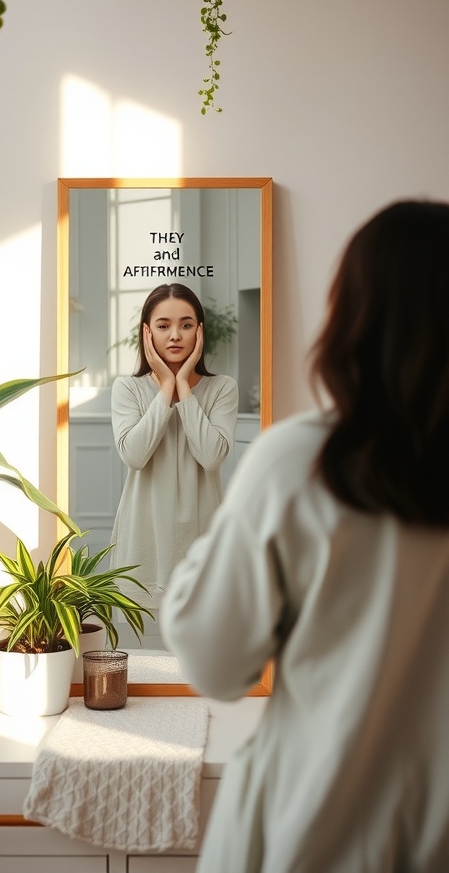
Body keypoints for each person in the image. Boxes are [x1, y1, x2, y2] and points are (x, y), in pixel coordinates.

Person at [160, 200, 449, 873]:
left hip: (309, 832)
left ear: (353, 316)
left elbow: (213, 663)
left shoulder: (298, 463)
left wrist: (223, 528)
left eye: (186, 323)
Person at [110, 282, 238, 609]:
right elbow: (134, 456)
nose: (175, 335)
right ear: (147, 333)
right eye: (163, 326)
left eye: (186, 325)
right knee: (141, 640)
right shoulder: (128, 388)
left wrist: (184, 385)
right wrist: (167, 386)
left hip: (203, 538)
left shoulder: (222, 388)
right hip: (144, 540)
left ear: (200, 332)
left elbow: (211, 457)